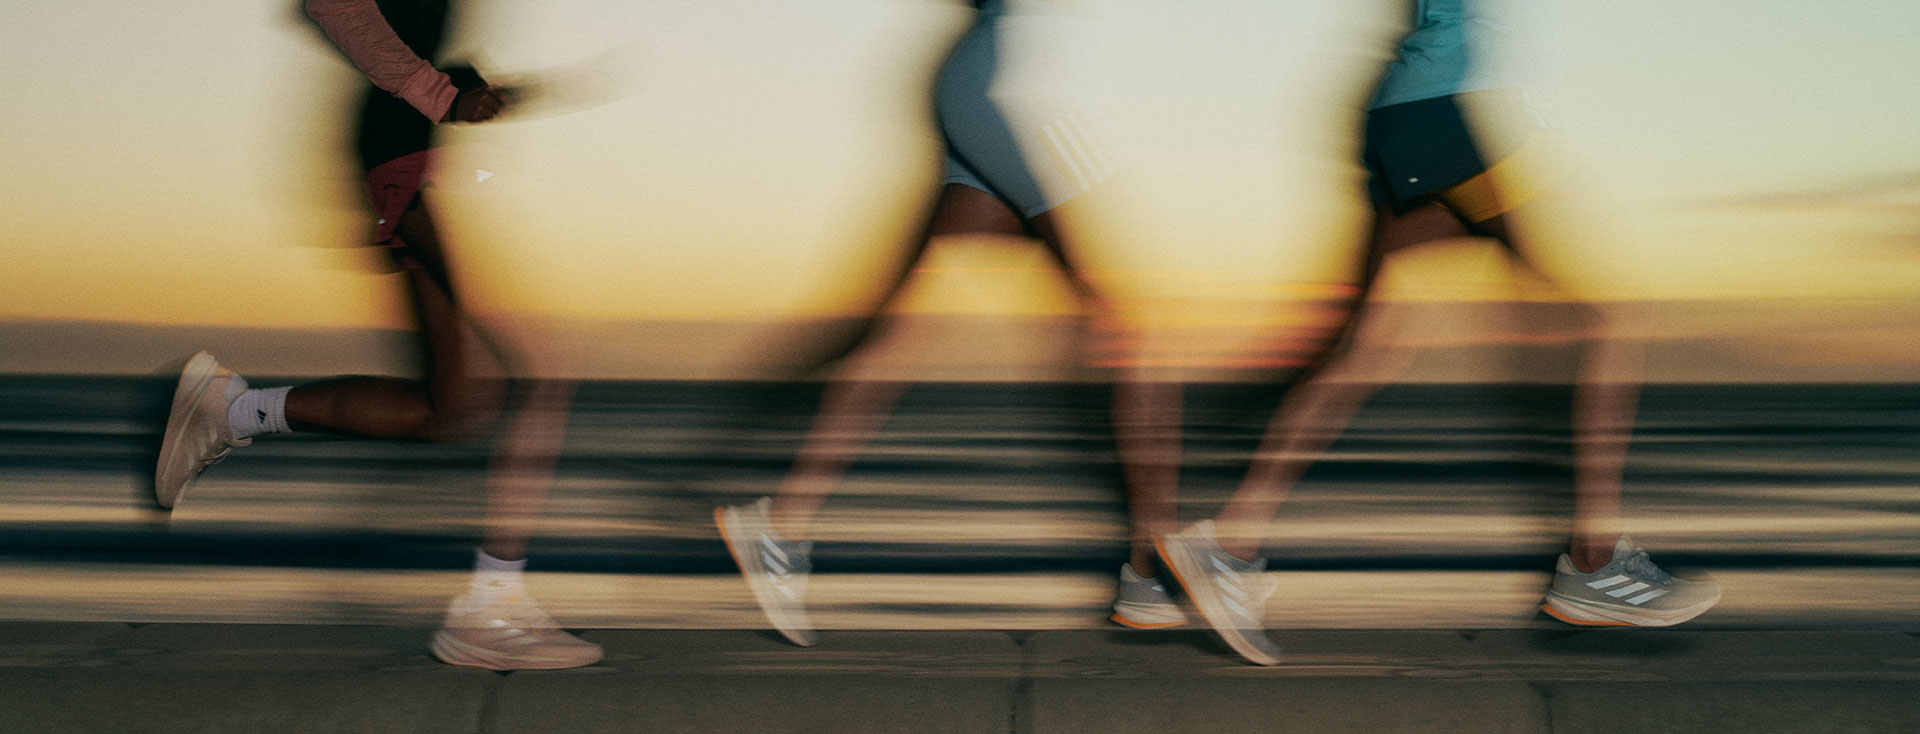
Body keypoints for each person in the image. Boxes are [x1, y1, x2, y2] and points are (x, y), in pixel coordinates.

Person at [1150, 0, 1721, 665]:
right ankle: (1594, 568)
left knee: (1370, 348)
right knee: (1595, 320)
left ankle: (1226, 546)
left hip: (1416, 111)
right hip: (1438, 111)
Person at [713, 0, 1190, 646]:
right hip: (978, 97)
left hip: (969, 81)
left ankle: (781, 523)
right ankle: (1146, 573)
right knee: (1123, 322)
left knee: (898, 332)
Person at [153, 0, 601, 670]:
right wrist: (443, 93)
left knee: (448, 409)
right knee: (541, 373)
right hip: (397, 167)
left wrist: (469, 88)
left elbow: (400, 36)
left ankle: (229, 408)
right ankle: (489, 611)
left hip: (404, 161)